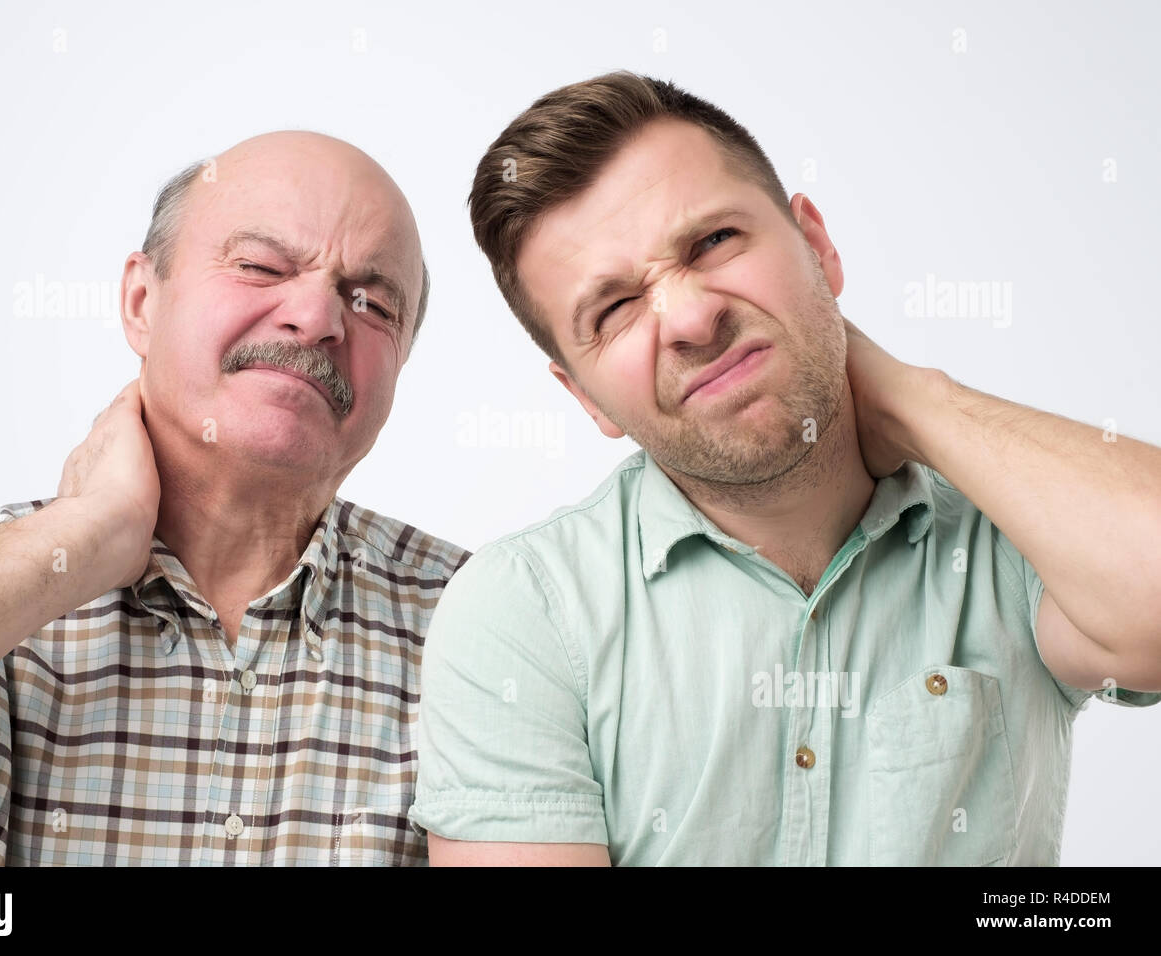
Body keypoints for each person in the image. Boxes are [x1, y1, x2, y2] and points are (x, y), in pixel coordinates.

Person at [408, 72, 1161, 865]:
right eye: (616, 309)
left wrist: (909, 397)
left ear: (818, 244)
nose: (694, 318)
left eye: (712, 242)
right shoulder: (525, 610)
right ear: (586, 397)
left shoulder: (1006, 533)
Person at [0, 131, 468, 865]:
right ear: (142, 302)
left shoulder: (483, 620)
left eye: (371, 302)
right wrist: (85, 535)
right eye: (260, 266)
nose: (317, 319)